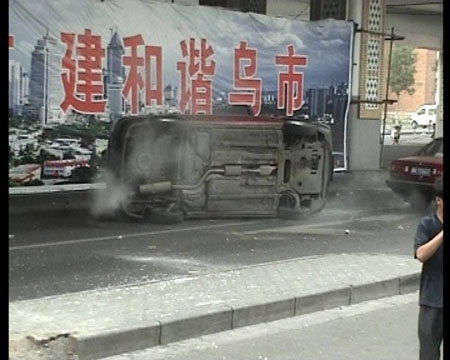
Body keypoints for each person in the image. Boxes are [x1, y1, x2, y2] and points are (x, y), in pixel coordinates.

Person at [414, 177, 443, 360]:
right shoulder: (427, 224)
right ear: (439, 200)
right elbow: (421, 255)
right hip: (432, 302)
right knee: (429, 355)